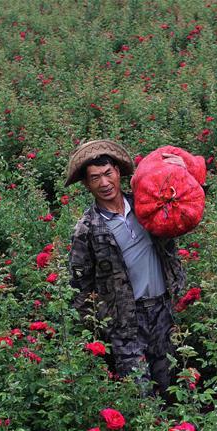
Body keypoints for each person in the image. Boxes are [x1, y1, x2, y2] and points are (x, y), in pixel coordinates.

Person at [65, 139, 187, 399]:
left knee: (171, 386)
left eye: (108, 173)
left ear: (118, 172)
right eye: (95, 178)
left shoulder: (149, 205)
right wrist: (99, 325)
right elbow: (78, 285)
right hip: (124, 321)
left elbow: (187, 204)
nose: (104, 183)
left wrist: (182, 170)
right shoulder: (87, 228)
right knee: (139, 393)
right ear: (87, 185)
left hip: (163, 311)